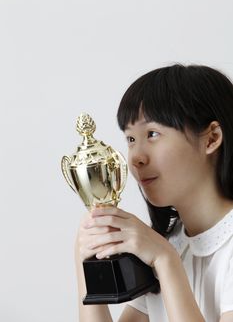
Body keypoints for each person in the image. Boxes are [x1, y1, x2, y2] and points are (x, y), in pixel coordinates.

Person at [75, 64, 233, 322]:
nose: (136, 157)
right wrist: (86, 260)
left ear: (211, 138)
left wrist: (166, 262)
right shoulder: (169, 242)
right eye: (130, 139)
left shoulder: (163, 250)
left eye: (153, 133)